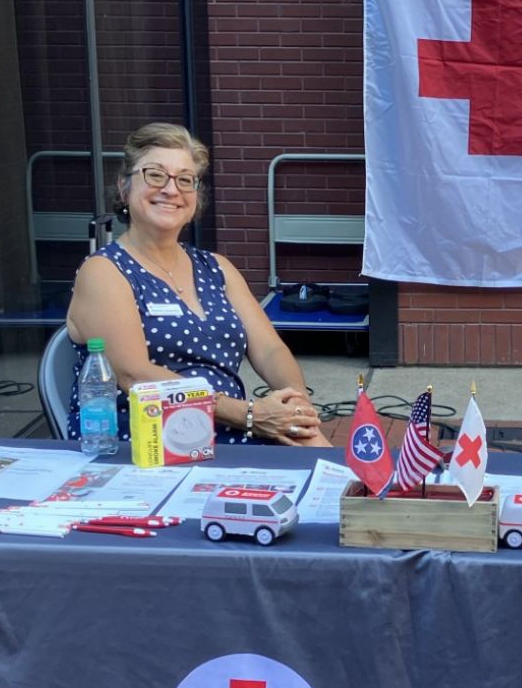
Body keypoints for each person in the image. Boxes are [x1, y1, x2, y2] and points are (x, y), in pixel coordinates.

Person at [65, 123, 329, 446]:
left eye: (185, 180)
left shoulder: (217, 268)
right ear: (124, 188)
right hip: (148, 443)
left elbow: (271, 350)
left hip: (233, 432)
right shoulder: (104, 272)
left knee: (331, 468)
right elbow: (135, 375)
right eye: (155, 175)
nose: (171, 190)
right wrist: (248, 414)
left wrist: (295, 405)